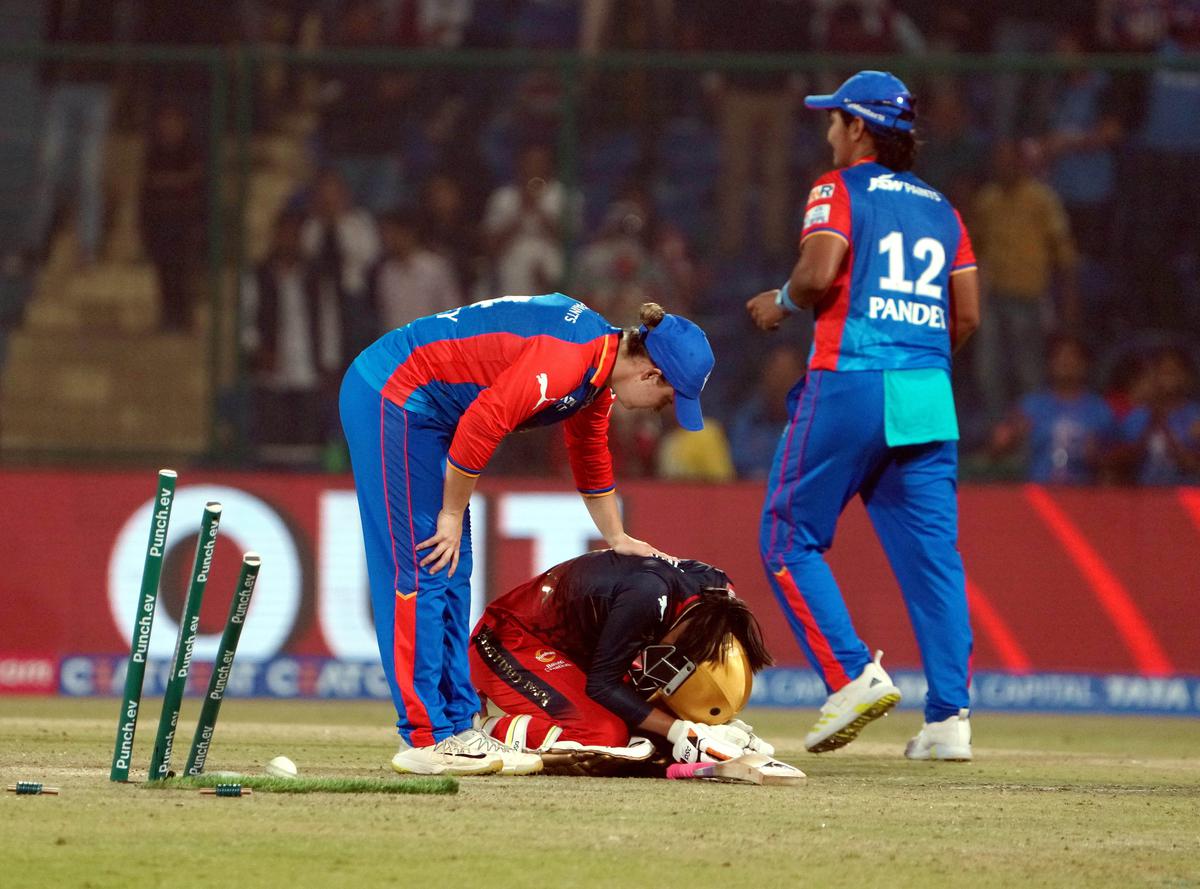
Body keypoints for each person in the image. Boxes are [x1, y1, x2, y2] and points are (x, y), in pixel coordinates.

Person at [339, 296, 715, 776]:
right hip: (393, 393)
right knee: (425, 565)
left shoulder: (598, 367)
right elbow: (481, 425)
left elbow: (588, 449)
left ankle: (456, 727)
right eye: (667, 399)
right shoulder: (567, 359)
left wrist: (617, 535)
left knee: (453, 571)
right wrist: (451, 514)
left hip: (427, 409)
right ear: (648, 375)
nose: (661, 410)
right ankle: (426, 737)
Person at [744, 71, 981, 760]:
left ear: (858, 127)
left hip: (853, 376)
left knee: (787, 535)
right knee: (935, 560)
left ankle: (850, 675)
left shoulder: (837, 188)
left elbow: (817, 275)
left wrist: (780, 303)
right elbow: (965, 316)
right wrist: (916, 357)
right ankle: (949, 720)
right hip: (927, 391)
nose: (826, 132)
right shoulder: (945, 210)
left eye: (833, 120)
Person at [471, 550, 778, 772]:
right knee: (603, 734)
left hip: (574, 649)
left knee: (640, 727)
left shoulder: (719, 596)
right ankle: (480, 730)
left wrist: (708, 725)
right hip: (508, 638)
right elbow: (602, 685)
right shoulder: (646, 597)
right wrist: (678, 731)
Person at [987, 334, 1117, 485]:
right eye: (1060, 357)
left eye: (1072, 357)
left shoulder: (1100, 410)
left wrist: (1099, 457)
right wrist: (1008, 437)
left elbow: (1119, 462)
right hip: (1039, 492)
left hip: (1084, 493)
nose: (1066, 362)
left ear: (1085, 364)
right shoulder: (1032, 405)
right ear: (1050, 363)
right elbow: (996, 450)